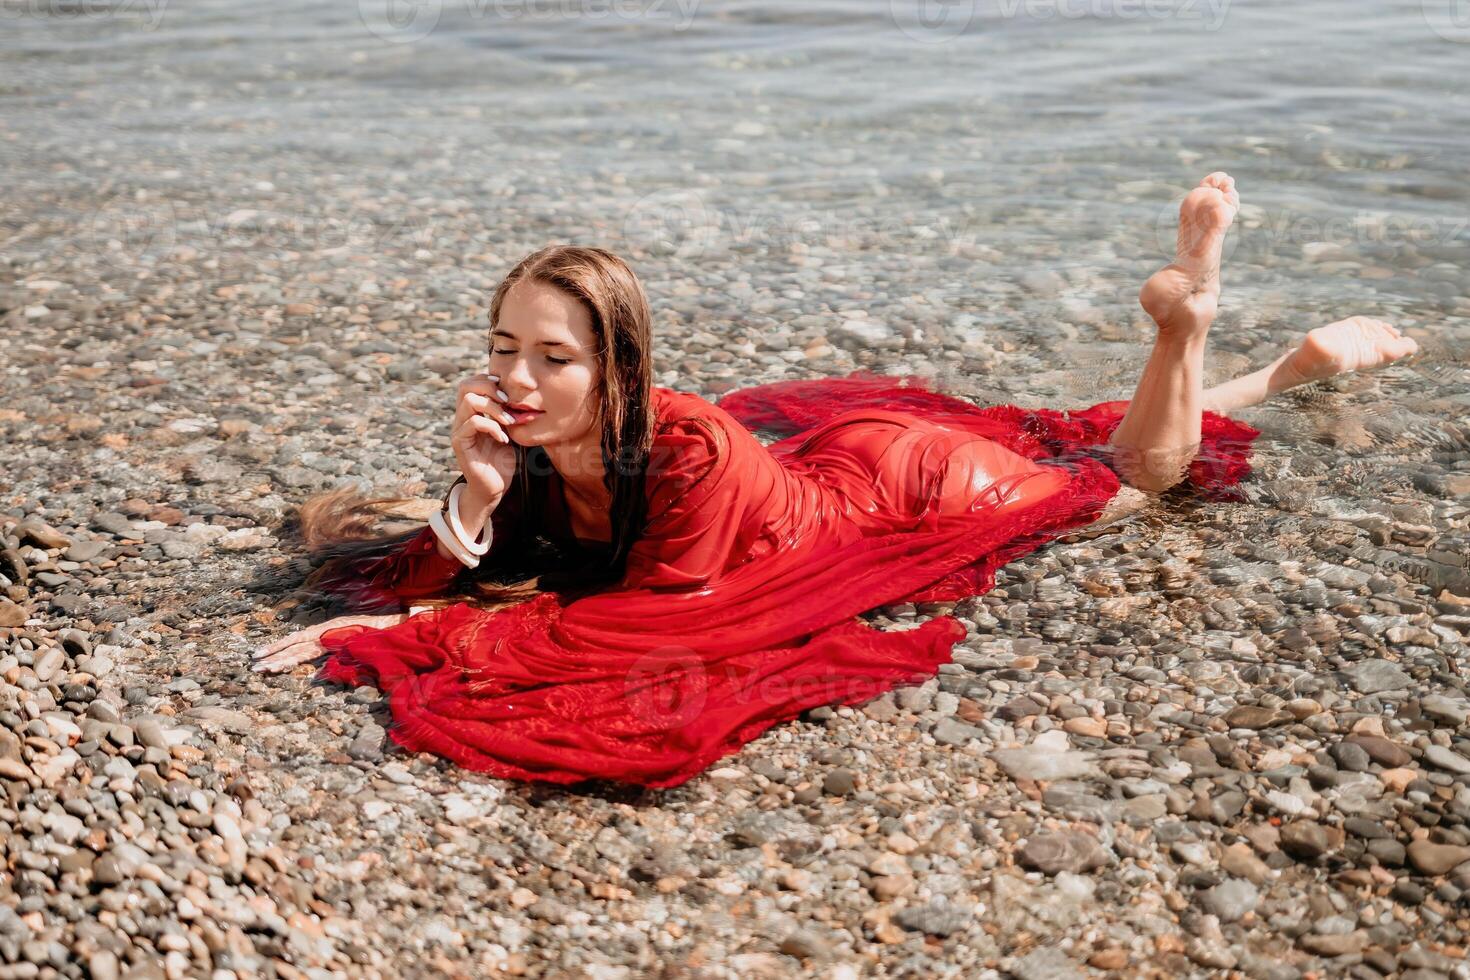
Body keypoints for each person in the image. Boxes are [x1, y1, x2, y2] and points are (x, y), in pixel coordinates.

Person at [251, 173, 1418, 788]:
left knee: (1122, 482)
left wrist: (405, 630)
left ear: (619, 368)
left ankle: (1187, 328)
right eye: (503, 344)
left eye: (552, 356)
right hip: (831, 466)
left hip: (915, 490)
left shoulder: (687, 445)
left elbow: (665, 619)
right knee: (1085, 445)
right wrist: (471, 497)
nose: (515, 373)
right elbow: (483, 557)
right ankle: (1282, 366)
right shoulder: (534, 438)